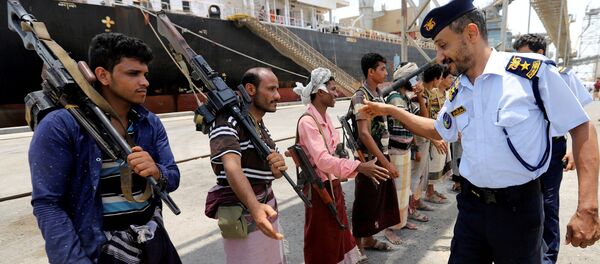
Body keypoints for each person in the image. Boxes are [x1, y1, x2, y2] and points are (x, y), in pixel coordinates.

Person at [358, 1, 600, 263]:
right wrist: (391, 111)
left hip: (519, 210)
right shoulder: (459, 91)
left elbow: (581, 126)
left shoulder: (531, 74)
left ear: (471, 33)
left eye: (442, 45)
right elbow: (438, 130)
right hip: (471, 208)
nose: (439, 57)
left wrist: (587, 206)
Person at [29, 32, 181, 263]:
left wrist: (157, 171)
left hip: (154, 241)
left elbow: (173, 177)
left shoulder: (150, 123)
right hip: (102, 251)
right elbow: (48, 204)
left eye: (145, 74)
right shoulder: (61, 126)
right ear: (103, 75)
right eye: (133, 74)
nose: (145, 82)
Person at [293, 67, 389, 264]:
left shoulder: (325, 118)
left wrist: (350, 162)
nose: (337, 93)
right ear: (320, 92)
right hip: (319, 190)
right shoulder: (308, 122)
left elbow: (334, 153)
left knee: (337, 234)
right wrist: (358, 167)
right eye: (333, 89)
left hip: (332, 185)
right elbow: (322, 160)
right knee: (321, 239)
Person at [513, 33, 594, 264]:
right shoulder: (514, 80)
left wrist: (572, 149)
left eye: (524, 54)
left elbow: (580, 120)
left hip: (554, 149)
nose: (519, 60)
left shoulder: (562, 77)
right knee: (521, 204)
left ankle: (547, 258)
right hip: (525, 150)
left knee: (548, 205)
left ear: (539, 54)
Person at [204, 67, 288, 264]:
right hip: (245, 213)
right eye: (272, 89)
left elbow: (268, 170)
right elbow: (232, 167)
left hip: (265, 206)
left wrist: (277, 169)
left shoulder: (258, 125)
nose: (278, 95)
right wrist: (255, 208)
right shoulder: (228, 121)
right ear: (251, 89)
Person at [350, 53, 400, 252]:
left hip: (380, 154)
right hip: (369, 159)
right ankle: (357, 246)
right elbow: (364, 134)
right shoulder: (361, 97)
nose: (386, 72)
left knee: (376, 201)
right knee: (365, 201)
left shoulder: (378, 94)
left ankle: (369, 240)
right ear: (370, 72)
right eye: (382, 69)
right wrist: (385, 163)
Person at [385, 62, 425, 235]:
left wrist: (421, 97)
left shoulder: (406, 98)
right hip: (395, 151)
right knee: (395, 191)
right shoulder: (395, 98)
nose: (415, 81)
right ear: (405, 79)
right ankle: (389, 228)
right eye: (413, 77)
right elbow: (411, 122)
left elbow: (422, 118)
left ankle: (401, 221)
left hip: (405, 150)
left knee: (403, 190)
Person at [421, 64, 450, 205]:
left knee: (438, 163)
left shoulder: (444, 94)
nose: (451, 80)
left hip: (439, 132)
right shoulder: (429, 94)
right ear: (437, 79)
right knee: (430, 165)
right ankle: (428, 192)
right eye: (448, 77)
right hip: (431, 134)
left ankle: (431, 190)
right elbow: (428, 117)